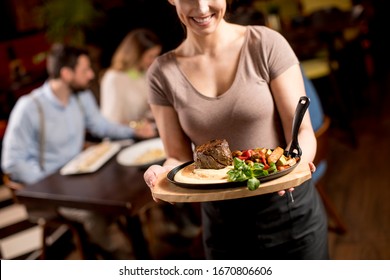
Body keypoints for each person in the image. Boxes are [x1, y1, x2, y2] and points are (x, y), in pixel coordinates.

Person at [143, 0, 329, 259]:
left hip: (289, 212)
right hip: (222, 226)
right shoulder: (161, 73)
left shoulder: (266, 44)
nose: (202, 7)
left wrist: (294, 167)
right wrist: (164, 173)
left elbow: (301, 132)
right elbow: (178, 156)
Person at [1, 43, 155, 259]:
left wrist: (134, 132)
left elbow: (100, 126)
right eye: (85, 70)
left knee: (125, 192)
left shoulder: (79, 96)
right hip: (55, 192)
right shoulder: (30, 107)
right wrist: (49, 184)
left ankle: (127, 251)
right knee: (98, 215)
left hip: (83, 179)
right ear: (66, 73)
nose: (91, 75)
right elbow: (12, 162)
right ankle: (122, 256)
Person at [100, 28, 162, 128]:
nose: (154, 61)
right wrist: (137, 126)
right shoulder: (114, 78)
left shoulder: (146, 75)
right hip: (122, 138)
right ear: (136, 54)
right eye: (150, 56)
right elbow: (111, 121)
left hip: (143, 134)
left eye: (156, 55)